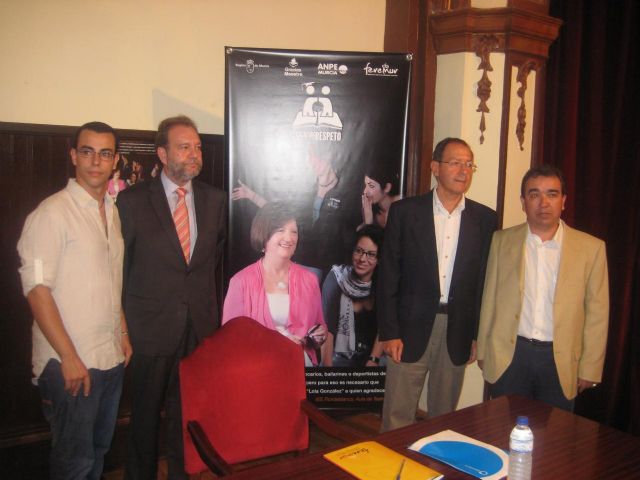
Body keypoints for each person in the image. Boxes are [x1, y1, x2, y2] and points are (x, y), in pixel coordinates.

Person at [17, 121, 132, 479]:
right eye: (87, 151)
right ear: (73, 156)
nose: (96, 161)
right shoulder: (51, 214)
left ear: (115, 161)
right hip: (71, 364)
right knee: (74, 463)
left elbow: (110, 282)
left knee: (97, 453)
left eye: (105, 153)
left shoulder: (110, 211)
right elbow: (37, 290)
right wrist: (68, 357)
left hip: (109, 358)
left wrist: (123, 334)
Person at [117, 115, 227, 479]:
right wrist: (123, 329)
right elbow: (122, 267)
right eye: (184, 147)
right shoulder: (132, 203)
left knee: (188, 416)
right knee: (145, 419)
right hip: (150, 329)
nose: (195, 154)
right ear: (162, 154)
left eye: (197, 147)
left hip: (198, 329)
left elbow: (213, 265)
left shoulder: (215, 201)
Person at [378, 137, 496, 431]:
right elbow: (388, 275)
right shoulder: (405, 212)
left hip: (456, 329)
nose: (463, 170)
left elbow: (483, 283)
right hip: (407, 328)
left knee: (444, 419)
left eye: (469, 164)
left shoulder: (485, 219)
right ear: (435, 167)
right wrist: (389, 331)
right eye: (455, 162)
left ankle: (434, 473)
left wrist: (476, 335)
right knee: (397, 415)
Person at [476, 165, 609, 411]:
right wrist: (484, 350)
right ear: (523, 202)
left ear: (564, 201)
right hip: (511, 355)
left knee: (555, 439)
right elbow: (489, 299)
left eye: (552, 194)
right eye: (534, 194)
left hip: (559, 360)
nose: (543, 203)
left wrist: (590, 367)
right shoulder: (501, 241)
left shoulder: (591, 249)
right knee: (503, 429)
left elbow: (598, 315)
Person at [222, 202, 327, 365]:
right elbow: (230, 338)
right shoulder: (240, 281)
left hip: (300, 367)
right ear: (264, 234)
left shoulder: (310, 280)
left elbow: (319, 326)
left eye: (294, 232)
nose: (289, 238)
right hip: (258, 371)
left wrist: (318, 335)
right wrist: (278, 343)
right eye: (281, 230)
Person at [321, 225, 385, 367]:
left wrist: (373, 360)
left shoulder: (384, 284)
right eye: (359, 251)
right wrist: (328, 367)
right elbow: (327, 327)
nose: (362, 258)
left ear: (379, 259)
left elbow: (385, 327)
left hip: (373, 355)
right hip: (337, 354)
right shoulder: (336, 276)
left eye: (371, 254)